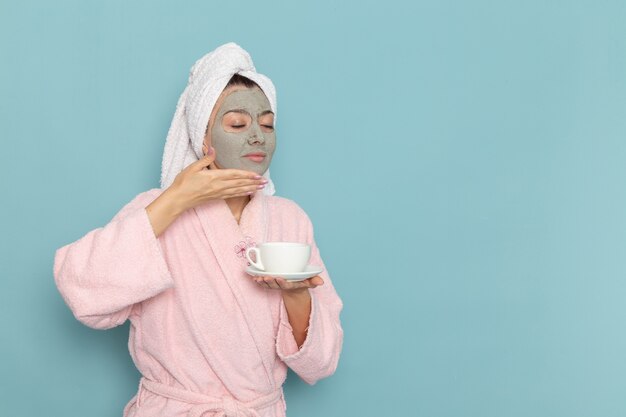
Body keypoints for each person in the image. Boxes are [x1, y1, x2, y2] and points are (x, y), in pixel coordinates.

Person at [53, 42, 344, 417]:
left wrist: (297, 296)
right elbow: (82, 291)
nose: (257, 135)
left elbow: (321, 362)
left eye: (267, 124)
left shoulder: (290, 219)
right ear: (202, 138)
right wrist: (175, 200)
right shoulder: (154, 210)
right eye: (237, 123)